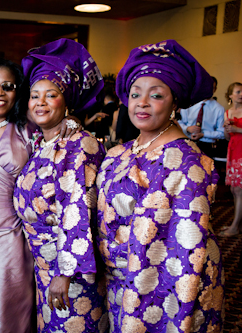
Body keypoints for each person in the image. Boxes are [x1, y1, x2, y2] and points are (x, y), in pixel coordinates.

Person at [97, 40, 224, 332]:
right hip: (120, 279)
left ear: (175, 102)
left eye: (156, 95)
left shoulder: (187, 162)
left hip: (162, 287)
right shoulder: (122, 151)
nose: (141, 102)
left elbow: (181, 249)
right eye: (134, 94)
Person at [0, 56, 80, 332]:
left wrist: (72, 124)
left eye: (7, 86)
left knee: (2, 306)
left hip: (9, 235)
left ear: (17, 92)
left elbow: (58, 140)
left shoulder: (29, 130)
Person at [15, 38, 107, 332]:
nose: (40, 102)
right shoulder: (42, 142)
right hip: (45, 267)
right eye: (34, 95)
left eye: (50, 94)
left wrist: (64, 273)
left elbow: (77, 210)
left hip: (72, 274)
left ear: (66, 102)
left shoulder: (79, 145)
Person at [177, 76, 225, 158]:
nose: (208, 90)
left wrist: (203, 134)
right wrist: (187, 128)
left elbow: (222, 133)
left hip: (208, 146)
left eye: (211, 88)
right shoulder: (189, 104)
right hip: (188, 142)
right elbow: (179, 122)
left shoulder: (219, 109)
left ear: (215, 89)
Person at [219, 82, 242, 237]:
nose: (241, 94)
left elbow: (237, 131)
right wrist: (227, 129)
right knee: (234, 189)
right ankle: (238, 222)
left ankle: (235, 226)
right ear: (230, 95)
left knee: (239, 189)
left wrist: (237, 129)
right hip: (233, 150)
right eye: (238, 91)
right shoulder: (227, 113)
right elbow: (227, 137)